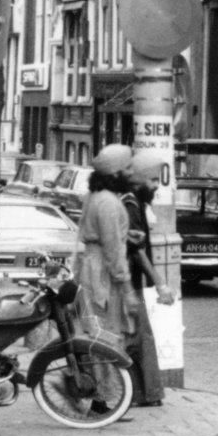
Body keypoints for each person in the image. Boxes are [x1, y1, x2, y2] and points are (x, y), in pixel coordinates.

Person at [122, 151, 175, 407]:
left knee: (138, 337)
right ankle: (139, 394)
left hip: (128, 282)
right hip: (125, 284)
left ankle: (141, 394)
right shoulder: (129, 204)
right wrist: (160, 283)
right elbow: (137, 250)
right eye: (153, 180)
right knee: (138, 338)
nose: (155, 185)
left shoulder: (134, 203)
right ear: (140, 178)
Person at [76, 144, 134, 346]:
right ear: (116, 173)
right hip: (103, 274)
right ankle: (107, 378)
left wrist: (125, 234)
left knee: (97, 333)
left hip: (93, 268)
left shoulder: (95, 196)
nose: (131, 173)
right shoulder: (108, 202)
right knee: (106, 338)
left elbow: (101, 234)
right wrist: (128, 290)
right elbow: (113, 250)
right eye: (127, 169)